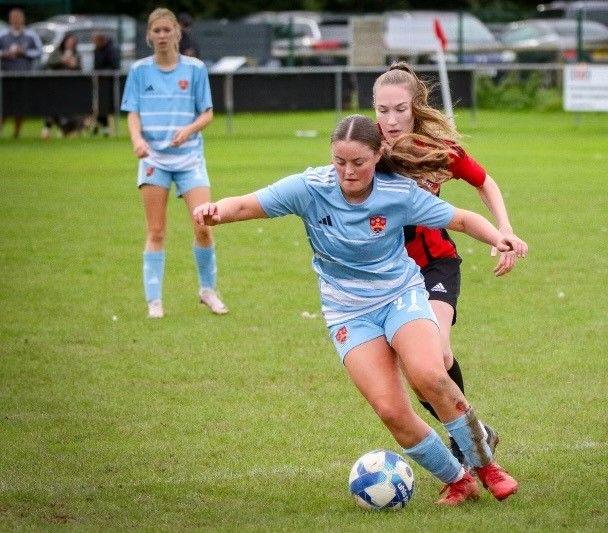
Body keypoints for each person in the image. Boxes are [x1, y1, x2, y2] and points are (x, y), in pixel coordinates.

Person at [192, 114, 527, 506]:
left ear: (378, 155)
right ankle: (458, 479)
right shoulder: (309, 189)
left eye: (358, 163)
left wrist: (498, 236)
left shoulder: (398, 193)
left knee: (429, 374)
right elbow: (250, 204)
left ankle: (485, 465)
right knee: (391, 411)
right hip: (348, 312)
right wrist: (216, 210)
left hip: (400, 295)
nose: (348, 172)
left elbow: (462, 218)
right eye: (340, 162)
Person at [372, 62, 525, 463]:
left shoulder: (435, 151)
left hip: (435, 265)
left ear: (415, 107)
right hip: (387, 277)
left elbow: (484, 181)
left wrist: (504, 229)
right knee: (417, 378)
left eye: (399, 109)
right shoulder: (364, 151)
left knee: (436, 358)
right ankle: (477, 434)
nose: (390, 120)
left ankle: (466, 444)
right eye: (382, 110)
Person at [121, 7, 227, 319]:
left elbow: (207, 113)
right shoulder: (140, 71)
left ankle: (207, 290)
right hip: (154, 159)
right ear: (149, 36)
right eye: (157, 31)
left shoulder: (195, 70)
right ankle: (154, 300)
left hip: (190, 158)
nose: (163, 36)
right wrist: (137, 140)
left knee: (204, 225)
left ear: (177, 33)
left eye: (168, 30)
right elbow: (132, 113)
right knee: (155, 230)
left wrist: (189, 129)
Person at [0, 8, 42, 138]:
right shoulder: (2, 35)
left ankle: (16, 134)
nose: (17, 20)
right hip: (5, 77)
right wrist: (5, 54)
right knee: (4, 106)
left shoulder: (31, 35)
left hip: (24, 76)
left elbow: (39, 52)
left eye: (19, 17)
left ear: (23, 19)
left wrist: (24, 53)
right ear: (10, 19)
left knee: (20, 106)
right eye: (14, 17)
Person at [41, 33, 84, 139]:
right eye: (69, 41)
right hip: (56, 86)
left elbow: (80, 69)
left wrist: (74, 65)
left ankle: (70, 130)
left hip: (71, 87)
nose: (70, 44)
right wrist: (61, 60)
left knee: (71, 109)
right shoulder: (57, 51)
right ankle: (47, 129)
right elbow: (48, 63)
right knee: (52, 107)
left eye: (73, 42)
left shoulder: (77, 54)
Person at [92, 32, 120, 137]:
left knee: (107, 107)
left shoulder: (111, 50)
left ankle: (104, 128)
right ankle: (101, 127)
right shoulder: (96, 50)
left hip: (109, 83)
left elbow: (115, 65)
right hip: (99, 82)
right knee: (99, 106)